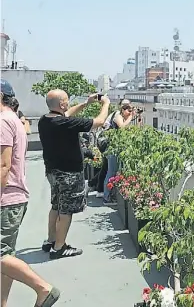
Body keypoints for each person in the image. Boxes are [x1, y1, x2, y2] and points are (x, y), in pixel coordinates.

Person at [0, 80, 61, 307]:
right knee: (6, 256)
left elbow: (3, 166)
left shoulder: (3, 121)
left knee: (1, 255)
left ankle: (42, 289)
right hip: (14, 198)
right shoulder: (14, 120)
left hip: (5, 198)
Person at [37, 90, 110, 259]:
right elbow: (99, 121)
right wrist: (105, 104)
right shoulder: (64, 123)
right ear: (62, 104)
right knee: (66, 211)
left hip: (53, 172)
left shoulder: (45, 120)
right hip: (68, 174)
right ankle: (60, 247)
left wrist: (86, 103)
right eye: (67, 101)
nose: (68, 103)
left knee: (56, 206)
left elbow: (67, 114)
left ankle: (51, 240)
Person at [100, 99, 136, 206]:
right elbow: (122, 127)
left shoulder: (120, 116)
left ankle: (110, 195)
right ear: (123, 109)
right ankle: (107, 197)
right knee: (111, 172)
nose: (129, 113)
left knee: (114, 171)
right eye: (128, 111)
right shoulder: (117, 116)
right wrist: (130, 118)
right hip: (112, 147)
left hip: (115, 147)